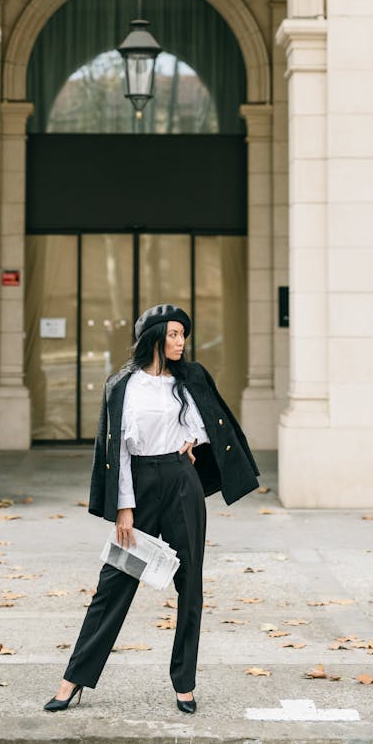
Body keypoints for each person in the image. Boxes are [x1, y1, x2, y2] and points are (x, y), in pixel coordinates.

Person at [45, 302, 260, 715]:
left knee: (190, 585)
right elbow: (118, 451)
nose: (181, 342)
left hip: (182, 483)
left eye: (184, 335)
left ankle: (184, 683)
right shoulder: (122, 385)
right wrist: (124, 508)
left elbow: (213, 420)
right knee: (114, 584)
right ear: (155, 338)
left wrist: (192, 443)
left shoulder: (191, 377)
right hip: (140, 487)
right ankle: (73, 679)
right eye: (174, 334)